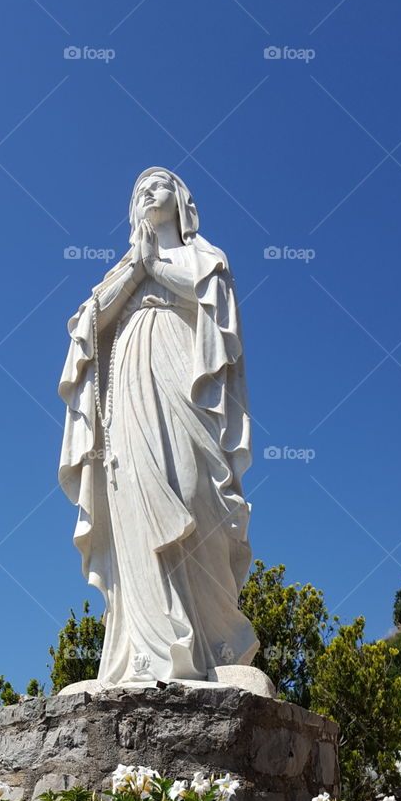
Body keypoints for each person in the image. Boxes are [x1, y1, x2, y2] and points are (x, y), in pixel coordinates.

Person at [58, 167, 258, 686]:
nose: (149, 192)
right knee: (133, 500)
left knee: (195, 492)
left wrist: (157, 268)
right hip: (128, 386)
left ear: (182, 199)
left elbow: (213, 303)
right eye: (140, 190)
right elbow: (88, 325)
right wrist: (137, 268)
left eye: (159, 184)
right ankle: (144, 650)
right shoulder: (124, 269)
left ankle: (216, 641)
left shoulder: (205, 257)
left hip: (184, 380)